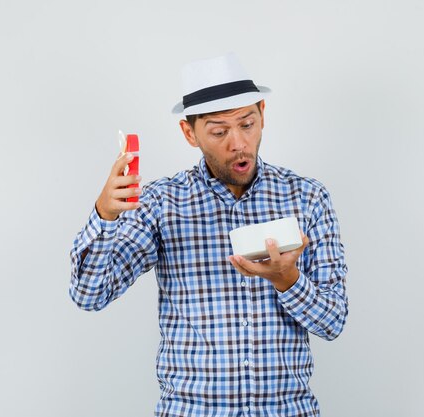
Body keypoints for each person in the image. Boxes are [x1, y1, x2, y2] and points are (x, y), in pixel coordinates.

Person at [69, 53, 348, 417]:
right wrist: (105, 215)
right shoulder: (161, 203)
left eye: (248, 124)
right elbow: (89, 295)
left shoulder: (308, 197)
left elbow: (333, 322)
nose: (239, 143)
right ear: (190, 133)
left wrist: (287, 279)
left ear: (263, 113)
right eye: (219, 132)